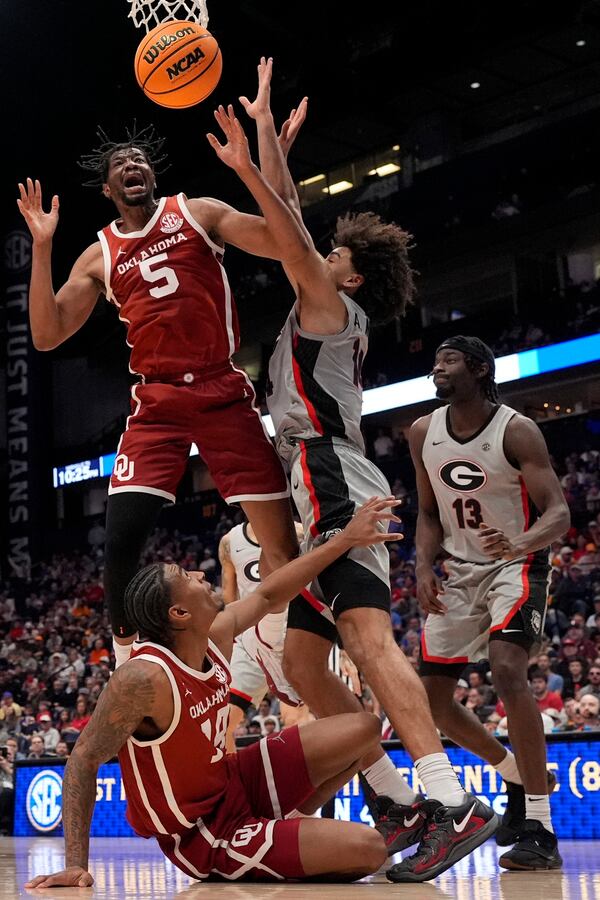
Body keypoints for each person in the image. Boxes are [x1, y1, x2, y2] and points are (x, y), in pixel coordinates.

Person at [223, 59, 497, 882]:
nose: (319, 252)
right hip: (318, 482)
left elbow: (292, 236)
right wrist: (270, 143)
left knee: (369, 641)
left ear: (349, 272)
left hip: (334, 479)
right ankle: (393, 798)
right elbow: (294, 234)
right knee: (306, 665)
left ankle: (450, 800)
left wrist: (257, 157)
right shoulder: (328, 300)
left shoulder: (331, 304)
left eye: (333, 250)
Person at [17, 120, 305, 665]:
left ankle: (284, 655)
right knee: (121, 542)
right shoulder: (98, 254)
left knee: (282, 545)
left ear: (152, 176)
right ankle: (130, 668)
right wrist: (41, 246)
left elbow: (281, 242)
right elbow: (46, 333)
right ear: (108, 189)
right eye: (120, 163)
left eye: (139, 160)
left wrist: (255, 167)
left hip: (223, 391)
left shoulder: (199, 212)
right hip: (157, 405)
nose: (132, 165)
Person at [24, 499, 399, 888]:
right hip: (202, 833)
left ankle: (281, 827)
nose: (201, 574)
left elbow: (270, 595)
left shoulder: (213, 639)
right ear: (179, 614)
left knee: (364, 728)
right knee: (370, 849)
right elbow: (83, 759)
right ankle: (273, 840)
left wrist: (345, 539)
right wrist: (74, 862)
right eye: (186, 577)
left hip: (234, 781)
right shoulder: (141, 679)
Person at [409, 335, 570, 870]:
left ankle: (541, 828)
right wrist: (423, 565)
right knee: (431, 700)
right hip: (456, 569)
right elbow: (429, 512)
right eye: (437, 359)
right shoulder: (421, 432)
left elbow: (559, 513)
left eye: (449, 359)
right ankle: (516, 775)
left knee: (506, 669)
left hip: (516, 564)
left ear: (479, 370)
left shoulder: (516, 430)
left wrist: (521, 544)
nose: (438, 367)